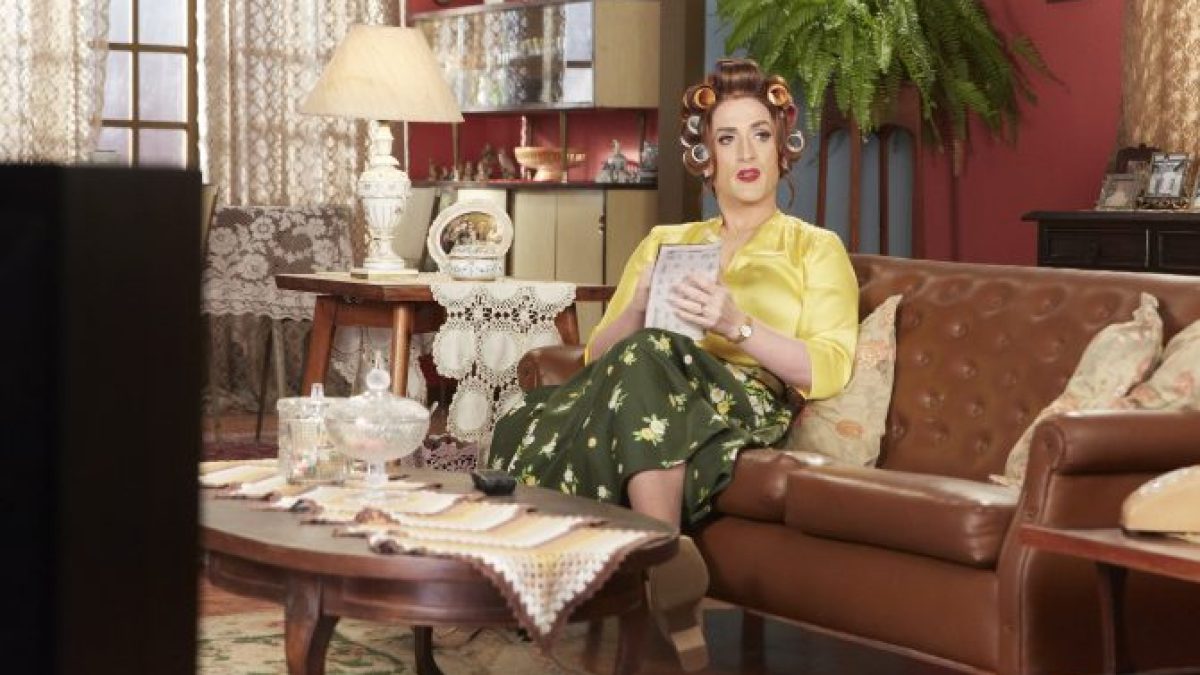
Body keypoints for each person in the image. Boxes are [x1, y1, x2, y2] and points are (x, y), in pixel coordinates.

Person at [489, 58, 860, 670]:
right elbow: (596, 358)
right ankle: (630, 574)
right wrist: (638, 304)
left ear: (781, 150)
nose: (747, 152)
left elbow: (829, 367)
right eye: (727, 138)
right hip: (651, 387)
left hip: (743, 400)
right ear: (706, 157)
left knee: (647, 354)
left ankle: (651, 567)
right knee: (524, 413)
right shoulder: (666, 241)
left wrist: (735, 324)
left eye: (760, 134)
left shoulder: (815, 248)